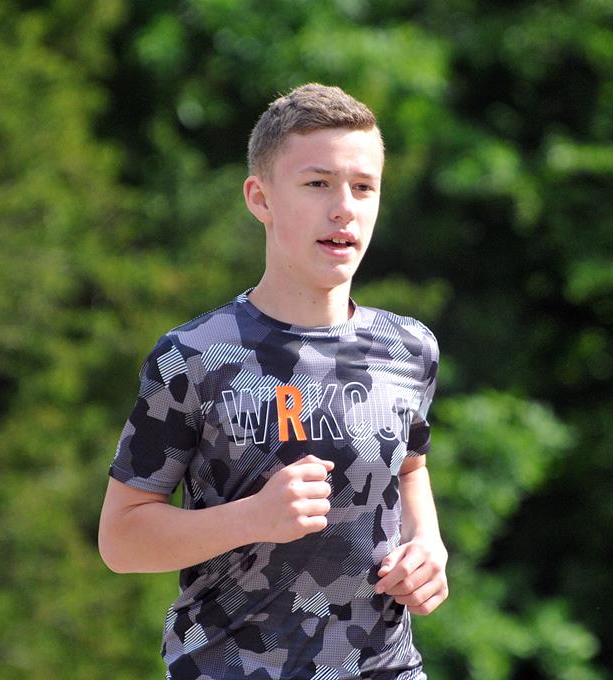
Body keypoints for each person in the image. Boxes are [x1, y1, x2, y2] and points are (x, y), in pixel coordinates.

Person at [98, 83, 447, 680]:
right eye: (318, 184)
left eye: (364, 187)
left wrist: (428, 546)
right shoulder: (193, 357)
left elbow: (410, 468)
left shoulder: (409, 348)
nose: (344, 208)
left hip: (385, 666)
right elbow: (121, 539)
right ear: (260, 198)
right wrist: (252, 517)